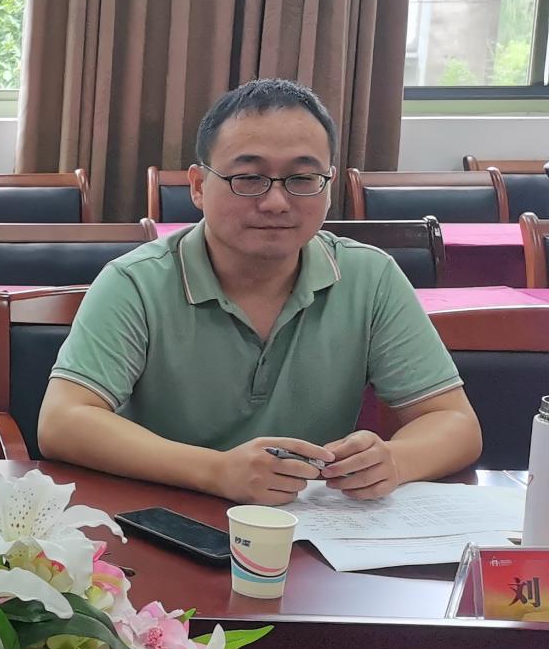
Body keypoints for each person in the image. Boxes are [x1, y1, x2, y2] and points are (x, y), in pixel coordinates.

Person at [36, 79, 480, 504]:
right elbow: (62, 420)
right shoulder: (136, 281)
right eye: (249, 178)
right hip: (166, 515)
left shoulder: (370, 277)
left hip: (311, 526)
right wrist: (216, 471)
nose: (276, 203)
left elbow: (453, 421)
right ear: (198, 186)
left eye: (302, 179)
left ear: (328, 186)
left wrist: (394, 461)